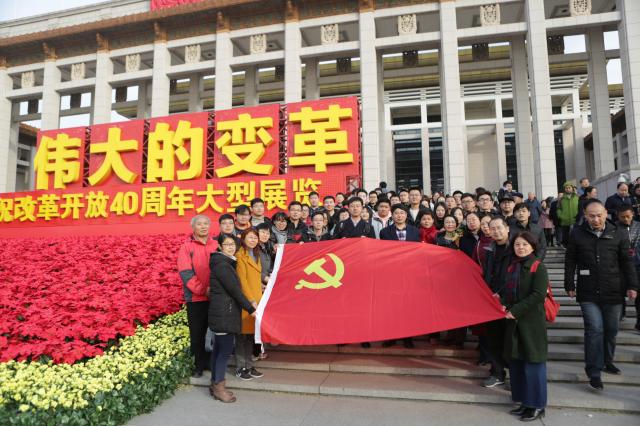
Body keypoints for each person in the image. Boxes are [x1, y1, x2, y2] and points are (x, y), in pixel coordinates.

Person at [564, 200, 638, 391]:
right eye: (591, 216)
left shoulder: (618, 232)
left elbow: (627, 261)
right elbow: (570, 260)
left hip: (613, 289)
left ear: (606, 213)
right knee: (594, 329)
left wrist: (632, 285)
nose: (596, 219)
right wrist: (569, 283)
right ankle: (594, 371)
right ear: (585, 215)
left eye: (599, 215)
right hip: (588, 291)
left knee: (611, 329)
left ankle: (607, 360)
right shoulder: (577, 233)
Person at [503, 231, 549, 422]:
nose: (520, 248)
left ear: (533, 246)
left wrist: (516, 310)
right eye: (517, 244)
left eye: (524, 244)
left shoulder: (538, 267)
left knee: (533, 363)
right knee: (517, 363)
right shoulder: (512, 266)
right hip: (514, 322)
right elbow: (508, 290)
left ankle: (537, 405)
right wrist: (502, 301)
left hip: (531, 322)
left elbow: (538, 294)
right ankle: (524, 402)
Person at [208, 233, 257, 403]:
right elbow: (235, 291)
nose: (231, 247)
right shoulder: (223, 265)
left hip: (223, 313)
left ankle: (215, 383)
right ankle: (219, 388)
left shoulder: (224, 263)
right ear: (220, 246)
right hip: (224, 315)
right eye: (227, 244)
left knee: (218, 351)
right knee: (224, 353)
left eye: (233, 244)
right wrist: (250, 309)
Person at [177, 215, 216, 378]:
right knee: (197, 334)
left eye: (206, 223)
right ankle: (198, 366)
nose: (203, 226)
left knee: (214, 333)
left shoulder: (216, 245)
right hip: (196, 299)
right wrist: (203, 290)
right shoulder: (186, 247)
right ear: (193, 227)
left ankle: (211, 363)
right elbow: (186, 273)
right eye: (199, 224)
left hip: (215, 298)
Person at [379, 204, 420, 348]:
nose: (399, 216)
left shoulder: (415, 231)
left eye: (402, 213)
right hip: (392, 274)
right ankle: (391, 336)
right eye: (396, 213)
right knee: (391, 306)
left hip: (410, 274)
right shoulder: (384, 232)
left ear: (406, 215)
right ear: (392, 215)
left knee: (408, 306)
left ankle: (408, 337)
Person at [482, 216, 512, 388]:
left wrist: (503, 296)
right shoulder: (489, 249)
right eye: (492, 228)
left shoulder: (516, 247)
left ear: (507, 228)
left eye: (499, 228)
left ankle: (515, 375)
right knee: (493, 338)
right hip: (491, 300)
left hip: (510, 300)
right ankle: (497, 373)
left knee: (511, 340)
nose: (496, 231)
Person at [234, 229, 264, 381]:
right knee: (242, 337)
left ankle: (249, 365)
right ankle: (240, 368)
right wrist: (251, 300)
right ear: (243, 239)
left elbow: (255, 278)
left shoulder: (256, 255)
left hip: (257, 300)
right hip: (246, 302)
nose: (253, 240)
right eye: (250, 237)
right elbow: (243, 281)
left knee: (251, 336)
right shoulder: (240, 256)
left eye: (255, 238)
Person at [557, 182, 579, 247]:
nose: (568, 189)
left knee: (575, 236)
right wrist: (561, 216)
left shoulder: (577, 197)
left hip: (575, 220)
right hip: (565, 221)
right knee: (565, 237)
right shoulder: (561, 198)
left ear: (572, 188)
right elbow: (558, 208)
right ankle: (566, 248)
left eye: (569, 188)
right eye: (566, 188)